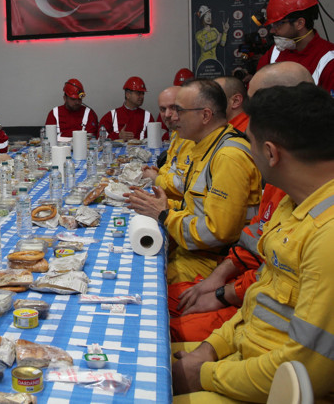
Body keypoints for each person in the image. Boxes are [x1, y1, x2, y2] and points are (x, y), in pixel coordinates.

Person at [172, 82, 334, 402]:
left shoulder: (326, 236)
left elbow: (305, 371)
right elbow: (259, 302)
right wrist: (210, 349)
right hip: (244, 357)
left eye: (250, 144)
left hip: (277, 387)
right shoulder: (293, 204)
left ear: (271, 153)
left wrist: (203, 374)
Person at [168, 62, 314, 343]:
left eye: (255, 105)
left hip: (254, 317)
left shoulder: (235, 156)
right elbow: (256, 242)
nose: (247, 118)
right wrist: (222, 282)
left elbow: (267, 270)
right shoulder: (279, 180)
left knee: (160, 326)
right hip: (242, 291)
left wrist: (222, 294)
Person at [126, 79, 261, 284]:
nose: (173, 117)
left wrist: (163, 214)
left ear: (205, 115)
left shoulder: (228, 157)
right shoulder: (207, 147)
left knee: (138, 282)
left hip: (213, 261)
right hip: (194, 250)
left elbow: (216, 233)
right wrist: (162, 204)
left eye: (179, 110)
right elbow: (198, 207)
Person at [256, 0, 334, 92]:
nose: (272, 31)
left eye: (277, 24)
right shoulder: (274, 53)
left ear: (300, 23)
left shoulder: (328, 60)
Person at [142, 86, 193, 201]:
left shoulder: (194, 138)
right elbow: (172, 167)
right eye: (162, 109)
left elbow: (184, 185)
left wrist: (155, 178)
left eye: (173, 107)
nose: (167, 114)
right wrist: (158, 171)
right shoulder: (176, 133)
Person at [99, 76, 153, 140]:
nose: (142, 96)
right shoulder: (110, 116)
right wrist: (118, 136)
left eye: (143, 93)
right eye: (138, 93)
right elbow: (99, 139)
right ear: (127, 95)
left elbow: (155, 140)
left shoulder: (148, 116)